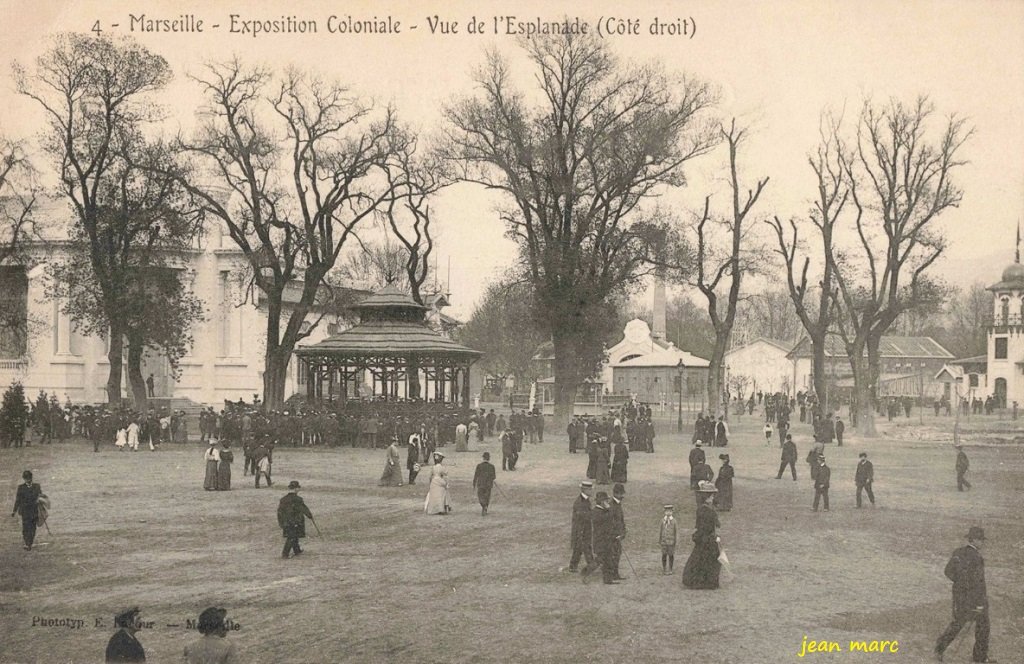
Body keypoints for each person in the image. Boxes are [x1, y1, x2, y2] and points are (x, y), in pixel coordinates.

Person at [934, 527, 994, 663]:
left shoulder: (958, 552)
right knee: (983, 626)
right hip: (974, 599)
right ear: (973, 540)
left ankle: (939, 647)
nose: (982, 543)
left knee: (958, 623)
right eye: (980, 540)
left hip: (959, 597)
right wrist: (979, 603)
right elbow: (979, 583)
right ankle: (980, 658)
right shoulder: (977, 558)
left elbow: (948, 571)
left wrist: (960, 584)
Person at [682, 481, 722, 589]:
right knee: (711, 559)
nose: (713, 498)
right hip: (708, 538)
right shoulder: (710, 512)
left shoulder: (700, 510)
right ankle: (708, 582)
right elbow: (714, 526)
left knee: (699, 558)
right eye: (712, 496)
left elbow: (698, 526)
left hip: (701, 538)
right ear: (708, 497)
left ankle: (697, 581)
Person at [278, 481, 314, 558]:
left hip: (286, 521)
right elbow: (303, 508)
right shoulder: (298, 499)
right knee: (292, 537)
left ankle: (297, 550)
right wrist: (309, 515)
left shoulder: (283, 499)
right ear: (296, 489)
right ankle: (285, 554)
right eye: (298, 488)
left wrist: (281, 522)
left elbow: (279, 512)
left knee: (294, 535)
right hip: (295, 521)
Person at [587, 491, 617, 584]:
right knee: (600, 560)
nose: (607, 502)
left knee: (608, 559)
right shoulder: (596, 512)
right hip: (600, 541)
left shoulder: (603, 511)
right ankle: (585, 573)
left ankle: (608, 580)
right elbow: (606, 520)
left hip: (606, 540)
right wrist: (609, 510)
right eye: (605, 500)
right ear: (601, 501)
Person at [11, 470, 42, 550]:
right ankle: (27, 543)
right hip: (25, 511)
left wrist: (39, 501)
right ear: (24, 479)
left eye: (29, 478)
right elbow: (18, 500)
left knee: (33, 528)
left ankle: (30, 542)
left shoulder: (37, 486)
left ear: (31, 478)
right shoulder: (21, 488)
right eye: (26, 478)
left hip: (34, 510)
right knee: (25, 527)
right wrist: (14, 511)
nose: (28, 480)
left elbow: (41, 496)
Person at [568, 481, 594, 574]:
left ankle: (573, 566)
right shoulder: (579, 502)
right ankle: (591, 566)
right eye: (590, 489)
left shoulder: (585, 500)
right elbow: (582, 516)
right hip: (581, 529)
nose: (591, 491)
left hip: (584, 529)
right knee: (584, 548)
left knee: (579, 549)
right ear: (584, 490)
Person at [608, 484, 627, 580]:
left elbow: (621, 520)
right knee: (613, 555)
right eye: (621, 494)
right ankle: (612, 574)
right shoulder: (612, 506)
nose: (623, 496)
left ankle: (615, 574)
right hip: (613, 536)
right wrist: (616, 534)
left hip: (618, 535)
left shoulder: (618, 504)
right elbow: (611, 523)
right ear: (616, 493)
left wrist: (623, 532)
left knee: (617, 554)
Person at [659, 505, 677, 575]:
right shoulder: (662, 520)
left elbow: (676, 531)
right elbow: (660, 530)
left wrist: (675, 541)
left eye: (670, 511)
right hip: (664, 541)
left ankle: (670, 568)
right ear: (664, 512)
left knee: (671, 555)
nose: (668, 513)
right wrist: (660, 539)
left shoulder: (674, 521)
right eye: (667, 511)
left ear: (672, 512)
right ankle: (664, 568)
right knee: (664, 554)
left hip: (671, 541)